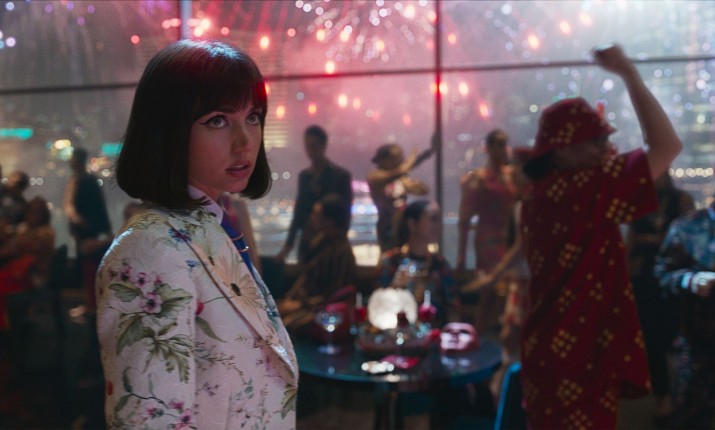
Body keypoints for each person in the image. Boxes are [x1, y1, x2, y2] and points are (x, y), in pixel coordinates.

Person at [95, 39, 298, 429]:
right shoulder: (149, 249)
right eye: (217, 120)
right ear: (167, 131)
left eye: (253, 117)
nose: (244, 141)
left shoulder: (211, 226)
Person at [519, 44, 682, 429]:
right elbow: (667, 145)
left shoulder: (544, 193)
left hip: (559, 349)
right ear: (561, 153)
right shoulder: (581, 190)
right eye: (594, 141)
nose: (604, 149)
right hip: (578, 353)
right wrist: (628, 72)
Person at [626, 172, 694, 423]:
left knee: (675, 336)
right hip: (645, 278)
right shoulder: (639, 203)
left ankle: (680, 395)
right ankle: (664, 396)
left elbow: (689, 236)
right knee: (651, 339)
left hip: (674, 277)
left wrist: (651, 240)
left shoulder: (680, 200)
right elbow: (631, 240)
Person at [653, 201, 715, 429]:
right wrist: (690, 280)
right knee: (690, 418)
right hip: (698, 341)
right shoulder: (687, 226)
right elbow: (661, 274)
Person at [457, 129, 518, 335]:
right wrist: (461, 256)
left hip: (511, 238)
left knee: (508, 288)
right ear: (489, 148)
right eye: (498, 144)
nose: (502, 149)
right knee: (493, 288)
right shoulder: (478, 178)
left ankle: (497, 333)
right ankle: (482, 333)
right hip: (489, 240)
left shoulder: (512, 175)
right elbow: (465, 218)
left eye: (504, 144)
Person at [278, 193, 358, 335]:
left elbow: (334, 294)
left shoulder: (341, 252)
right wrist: (289, 299)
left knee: (286, 326)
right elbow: (306, 278)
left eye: (317, 215)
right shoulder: (319, 243)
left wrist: (300, 304)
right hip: (306, 303)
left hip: (323, 309)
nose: (312, 218)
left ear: (330, 221)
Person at [275, 124, 352, 265]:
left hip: (331, 246)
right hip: (308, 243)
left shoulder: (341, 177)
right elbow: (298, 213)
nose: (310, 151)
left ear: (323, 145)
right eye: (307, 146)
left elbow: (345, 215)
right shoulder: (304, 177)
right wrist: (288, 247)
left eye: (313, 146)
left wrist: (338, 242)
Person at [375, 199, 458, 328]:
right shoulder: (391, 261)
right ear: (412, 224)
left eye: (439, 221)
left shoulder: (440, 264)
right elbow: (377, 306)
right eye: (433, 219)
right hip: (396, 333)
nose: (439, 226)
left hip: (434, 334)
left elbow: (453, 309)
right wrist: (395, 286)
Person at [63, 147, 112, 312]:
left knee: (90, 266)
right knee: (87, 267)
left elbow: (97, 208)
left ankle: (93, 305)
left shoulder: (87, 181)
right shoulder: (79, 179)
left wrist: (94, 229)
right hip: (83, 231)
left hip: (89, 232)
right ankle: (91, 303)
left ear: (77, 160)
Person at [368, 140, 434, 252]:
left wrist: (411, 185)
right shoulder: (375, 177)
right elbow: (400, 170)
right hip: (388, 227)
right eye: (395, 158)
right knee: (389, 257)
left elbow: (422, 190)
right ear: (384, 159)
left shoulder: (399, 179)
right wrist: (413, 158)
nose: (399, 162)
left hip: (405, 225)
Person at [0, 196, 55, 330]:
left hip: (34, 276)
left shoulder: (46, 233)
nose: (33, 216)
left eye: (37, 213)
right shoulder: (24, 230)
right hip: (20, 273)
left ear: (43, 216)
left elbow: (24, 248)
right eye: (31, 211)